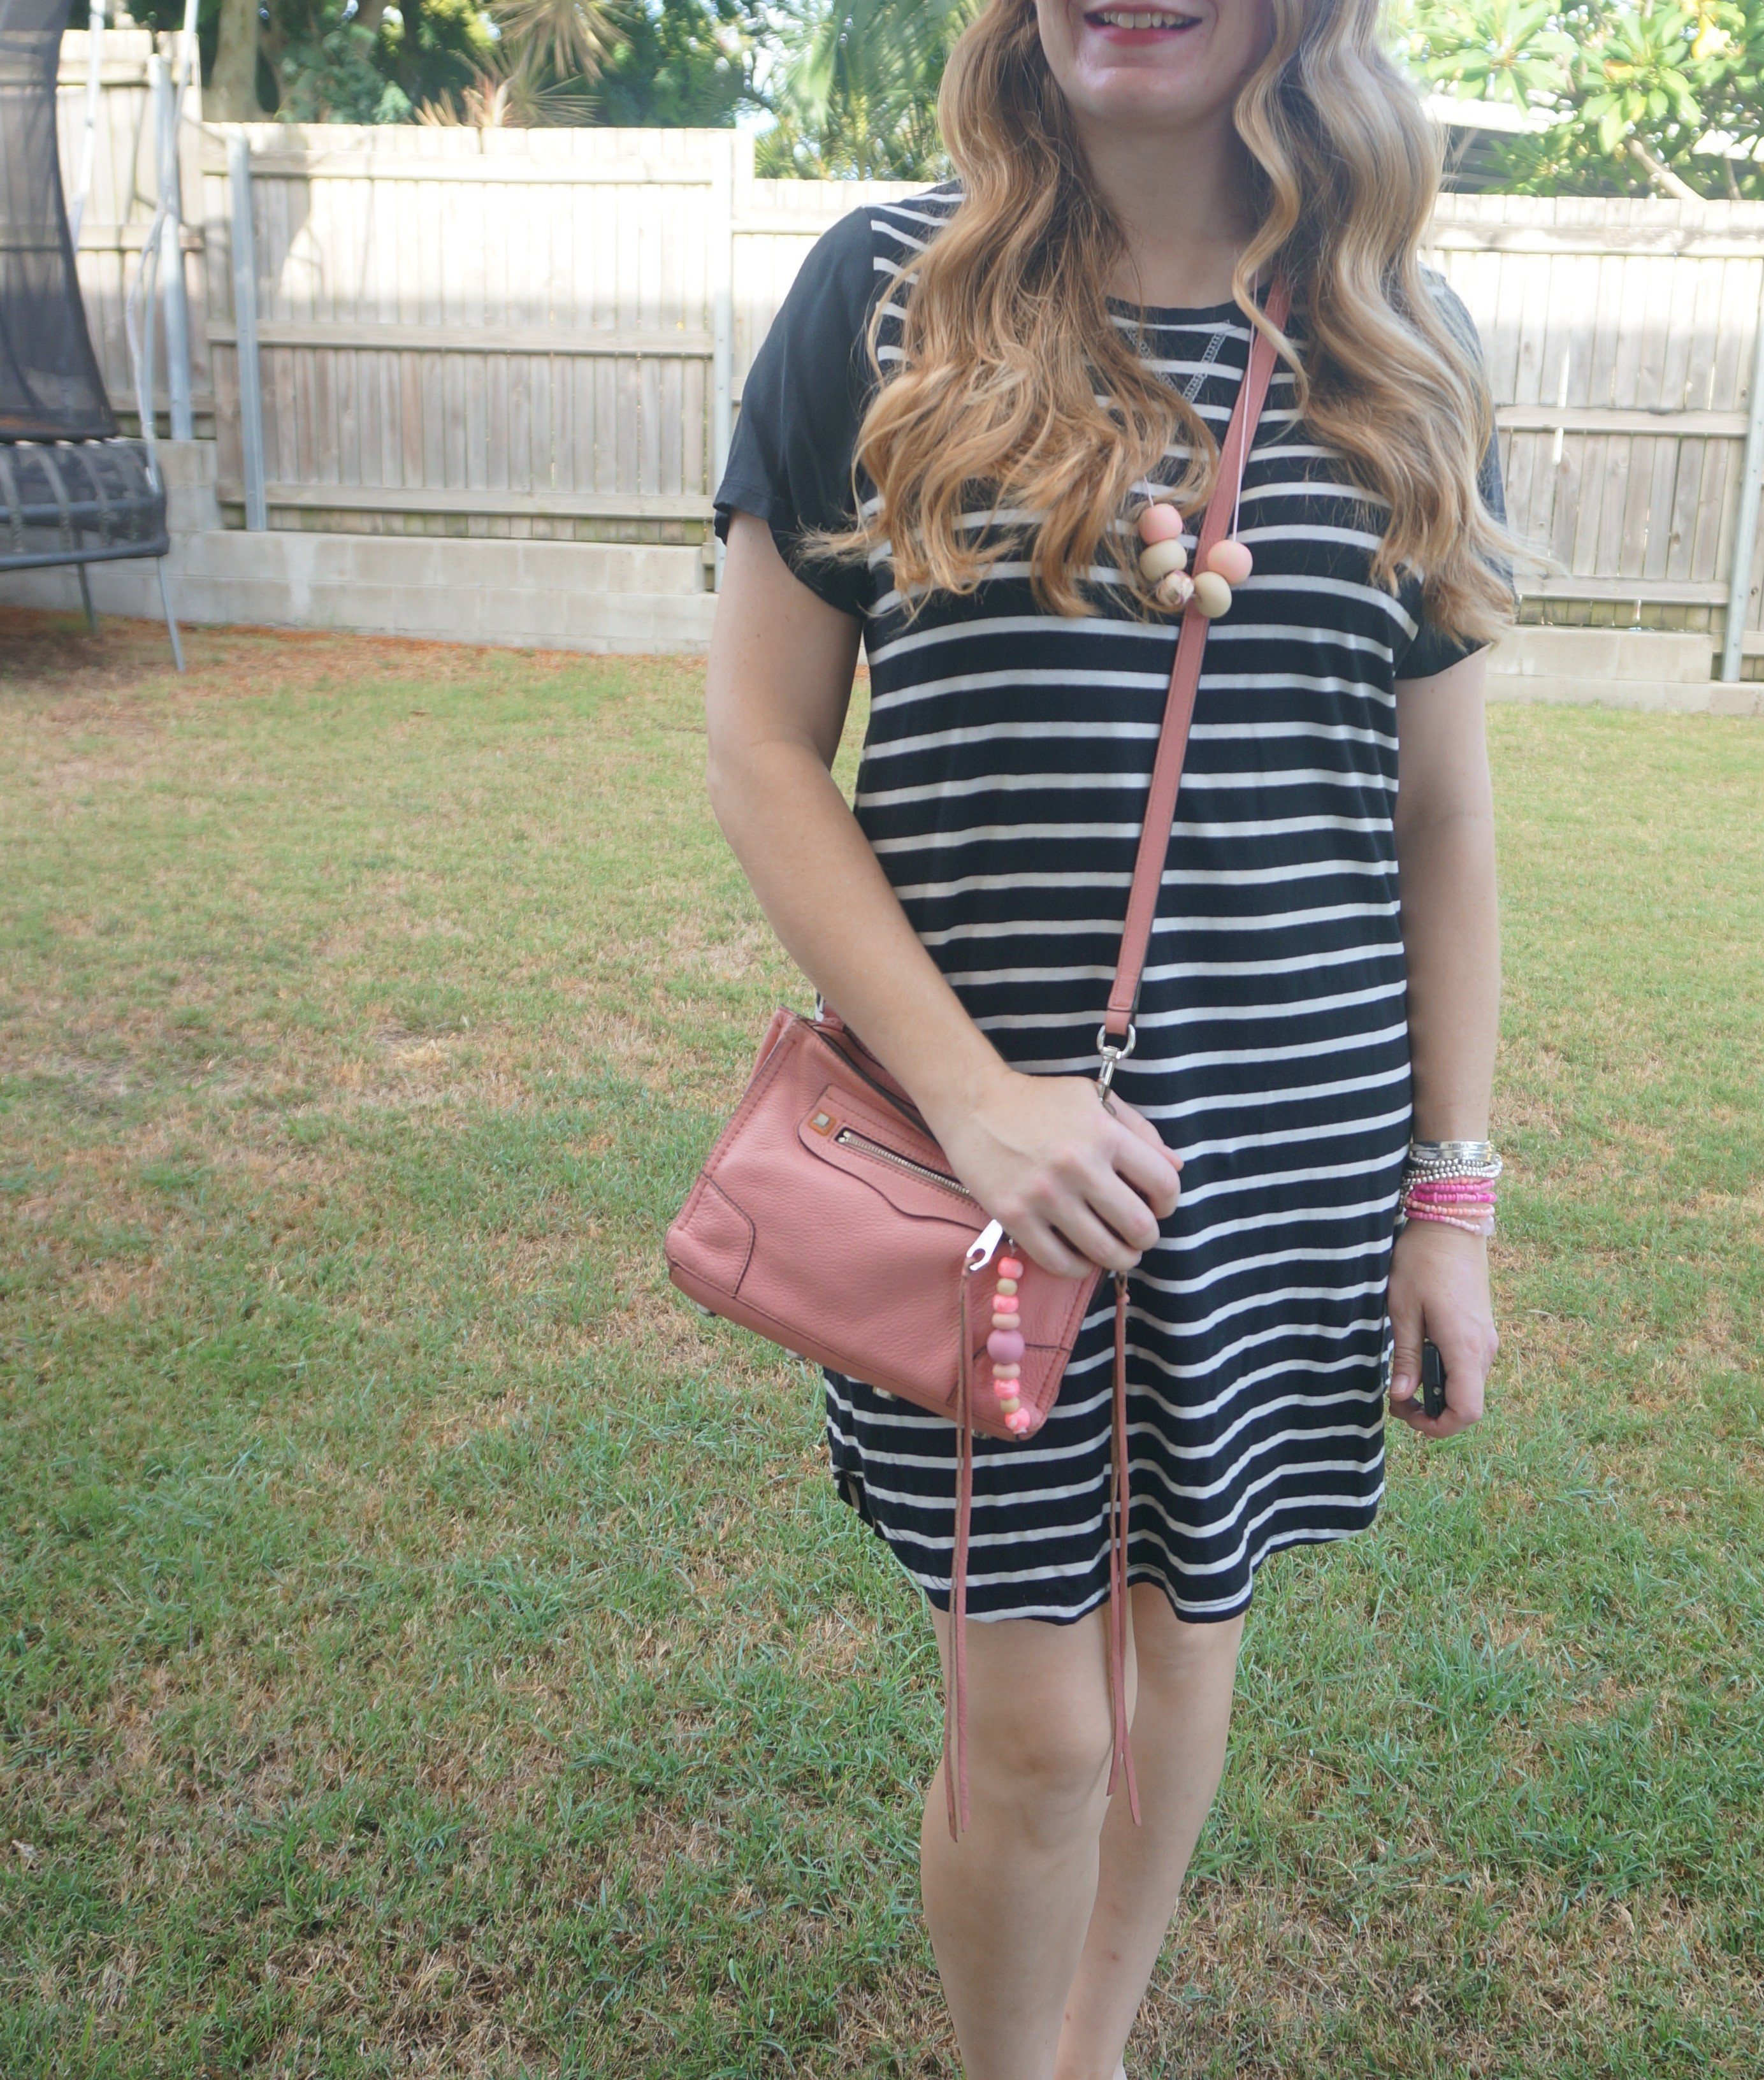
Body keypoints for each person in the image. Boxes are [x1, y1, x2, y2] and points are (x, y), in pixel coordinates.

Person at [704, 1, 1511, 2071]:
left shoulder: (1401, 347)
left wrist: (1450, 1199)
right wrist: (975, 1104)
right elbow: (765, 747)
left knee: (1183, 1645)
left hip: (1286, 1154)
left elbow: (1436, 820)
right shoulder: (883, 296)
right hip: (972, 1175)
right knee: (1040, 1717)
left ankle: (1096, 2050)